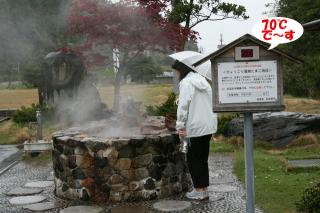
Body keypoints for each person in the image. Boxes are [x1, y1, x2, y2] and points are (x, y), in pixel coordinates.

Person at [173, 60, 217, 200]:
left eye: (176, 71)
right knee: (202, 159)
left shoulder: (186, 83)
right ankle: (203, 190)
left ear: (182, 70)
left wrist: (180, 126)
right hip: (207, 126)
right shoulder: (204, 83)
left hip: (195, 127)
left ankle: (198, 191)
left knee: (193, 160)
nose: (176, 74)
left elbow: (184, 107)